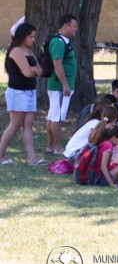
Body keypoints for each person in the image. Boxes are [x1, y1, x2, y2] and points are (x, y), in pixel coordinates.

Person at [0, 23, 45, 166]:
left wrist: (33, 69)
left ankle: (32, 158)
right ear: (22, 36)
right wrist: (33, 70)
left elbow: (39, 70)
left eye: (34, 37)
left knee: (28, 124)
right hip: (18, 93)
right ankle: (0, 154)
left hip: (30, 92)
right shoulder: (16, 51)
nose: (33, 39)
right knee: (15, 124)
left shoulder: (28, 50)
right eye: (30, 37)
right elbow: (28, 73)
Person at [45, 13, 78, 156]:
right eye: (74, 26)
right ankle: (58, 148)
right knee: (56, 117)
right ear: (66, 26)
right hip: (60, 86)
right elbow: (57, 64)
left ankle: (51, 147)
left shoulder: (63, 40)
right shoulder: (58, 42)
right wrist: (65, 85)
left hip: (59, 85)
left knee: (52, 115)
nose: (76, 29)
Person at [79, 123, 118, 187]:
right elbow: (103, 167)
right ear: (114, 138)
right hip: (100, 179)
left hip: (97, 177)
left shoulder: (103, 143)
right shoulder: (108, 145)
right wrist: (112, 184)